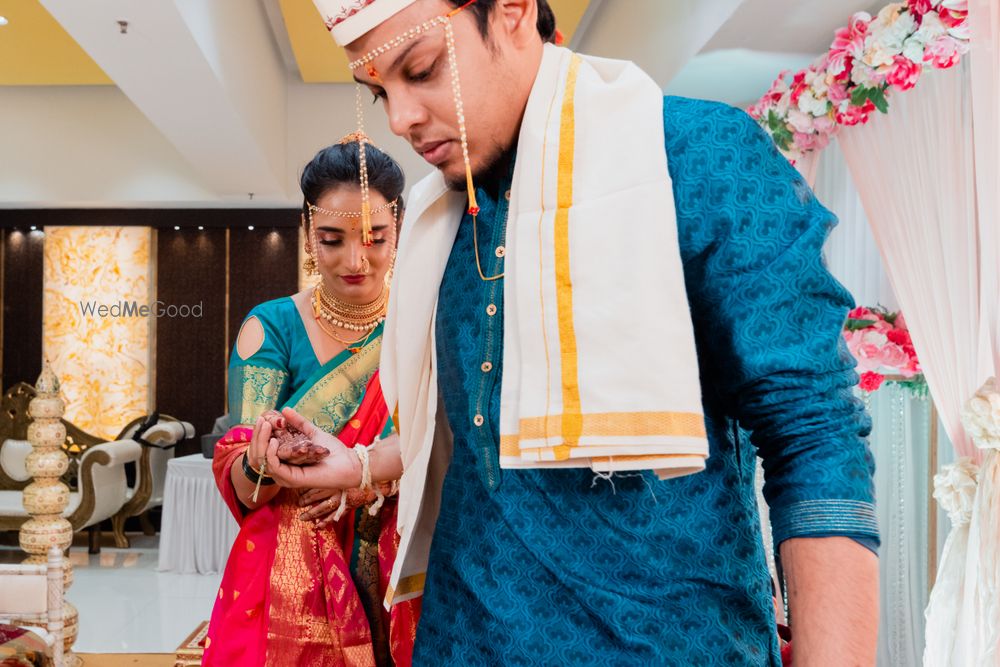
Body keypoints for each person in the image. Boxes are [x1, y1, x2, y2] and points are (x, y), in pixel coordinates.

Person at [270, 1, 880, 663]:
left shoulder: (691, 159)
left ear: (512, 11)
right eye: (380, 90)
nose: (400, 117)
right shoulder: (437, 219)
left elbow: (814, 435)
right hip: (459, 643)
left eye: (421, 68)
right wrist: (357, 461)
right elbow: (481, 440)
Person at [203, 136, 418, 667]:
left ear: (401, 231)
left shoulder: (424, 322)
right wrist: (263, 459)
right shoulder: (269, 327)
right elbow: (246, 480)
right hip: (289, 574)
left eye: (375, 238)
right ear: (305, 235)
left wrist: (365, 477)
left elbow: (448, 442)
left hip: (405, 555)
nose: (355, 260)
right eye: (331, 239)